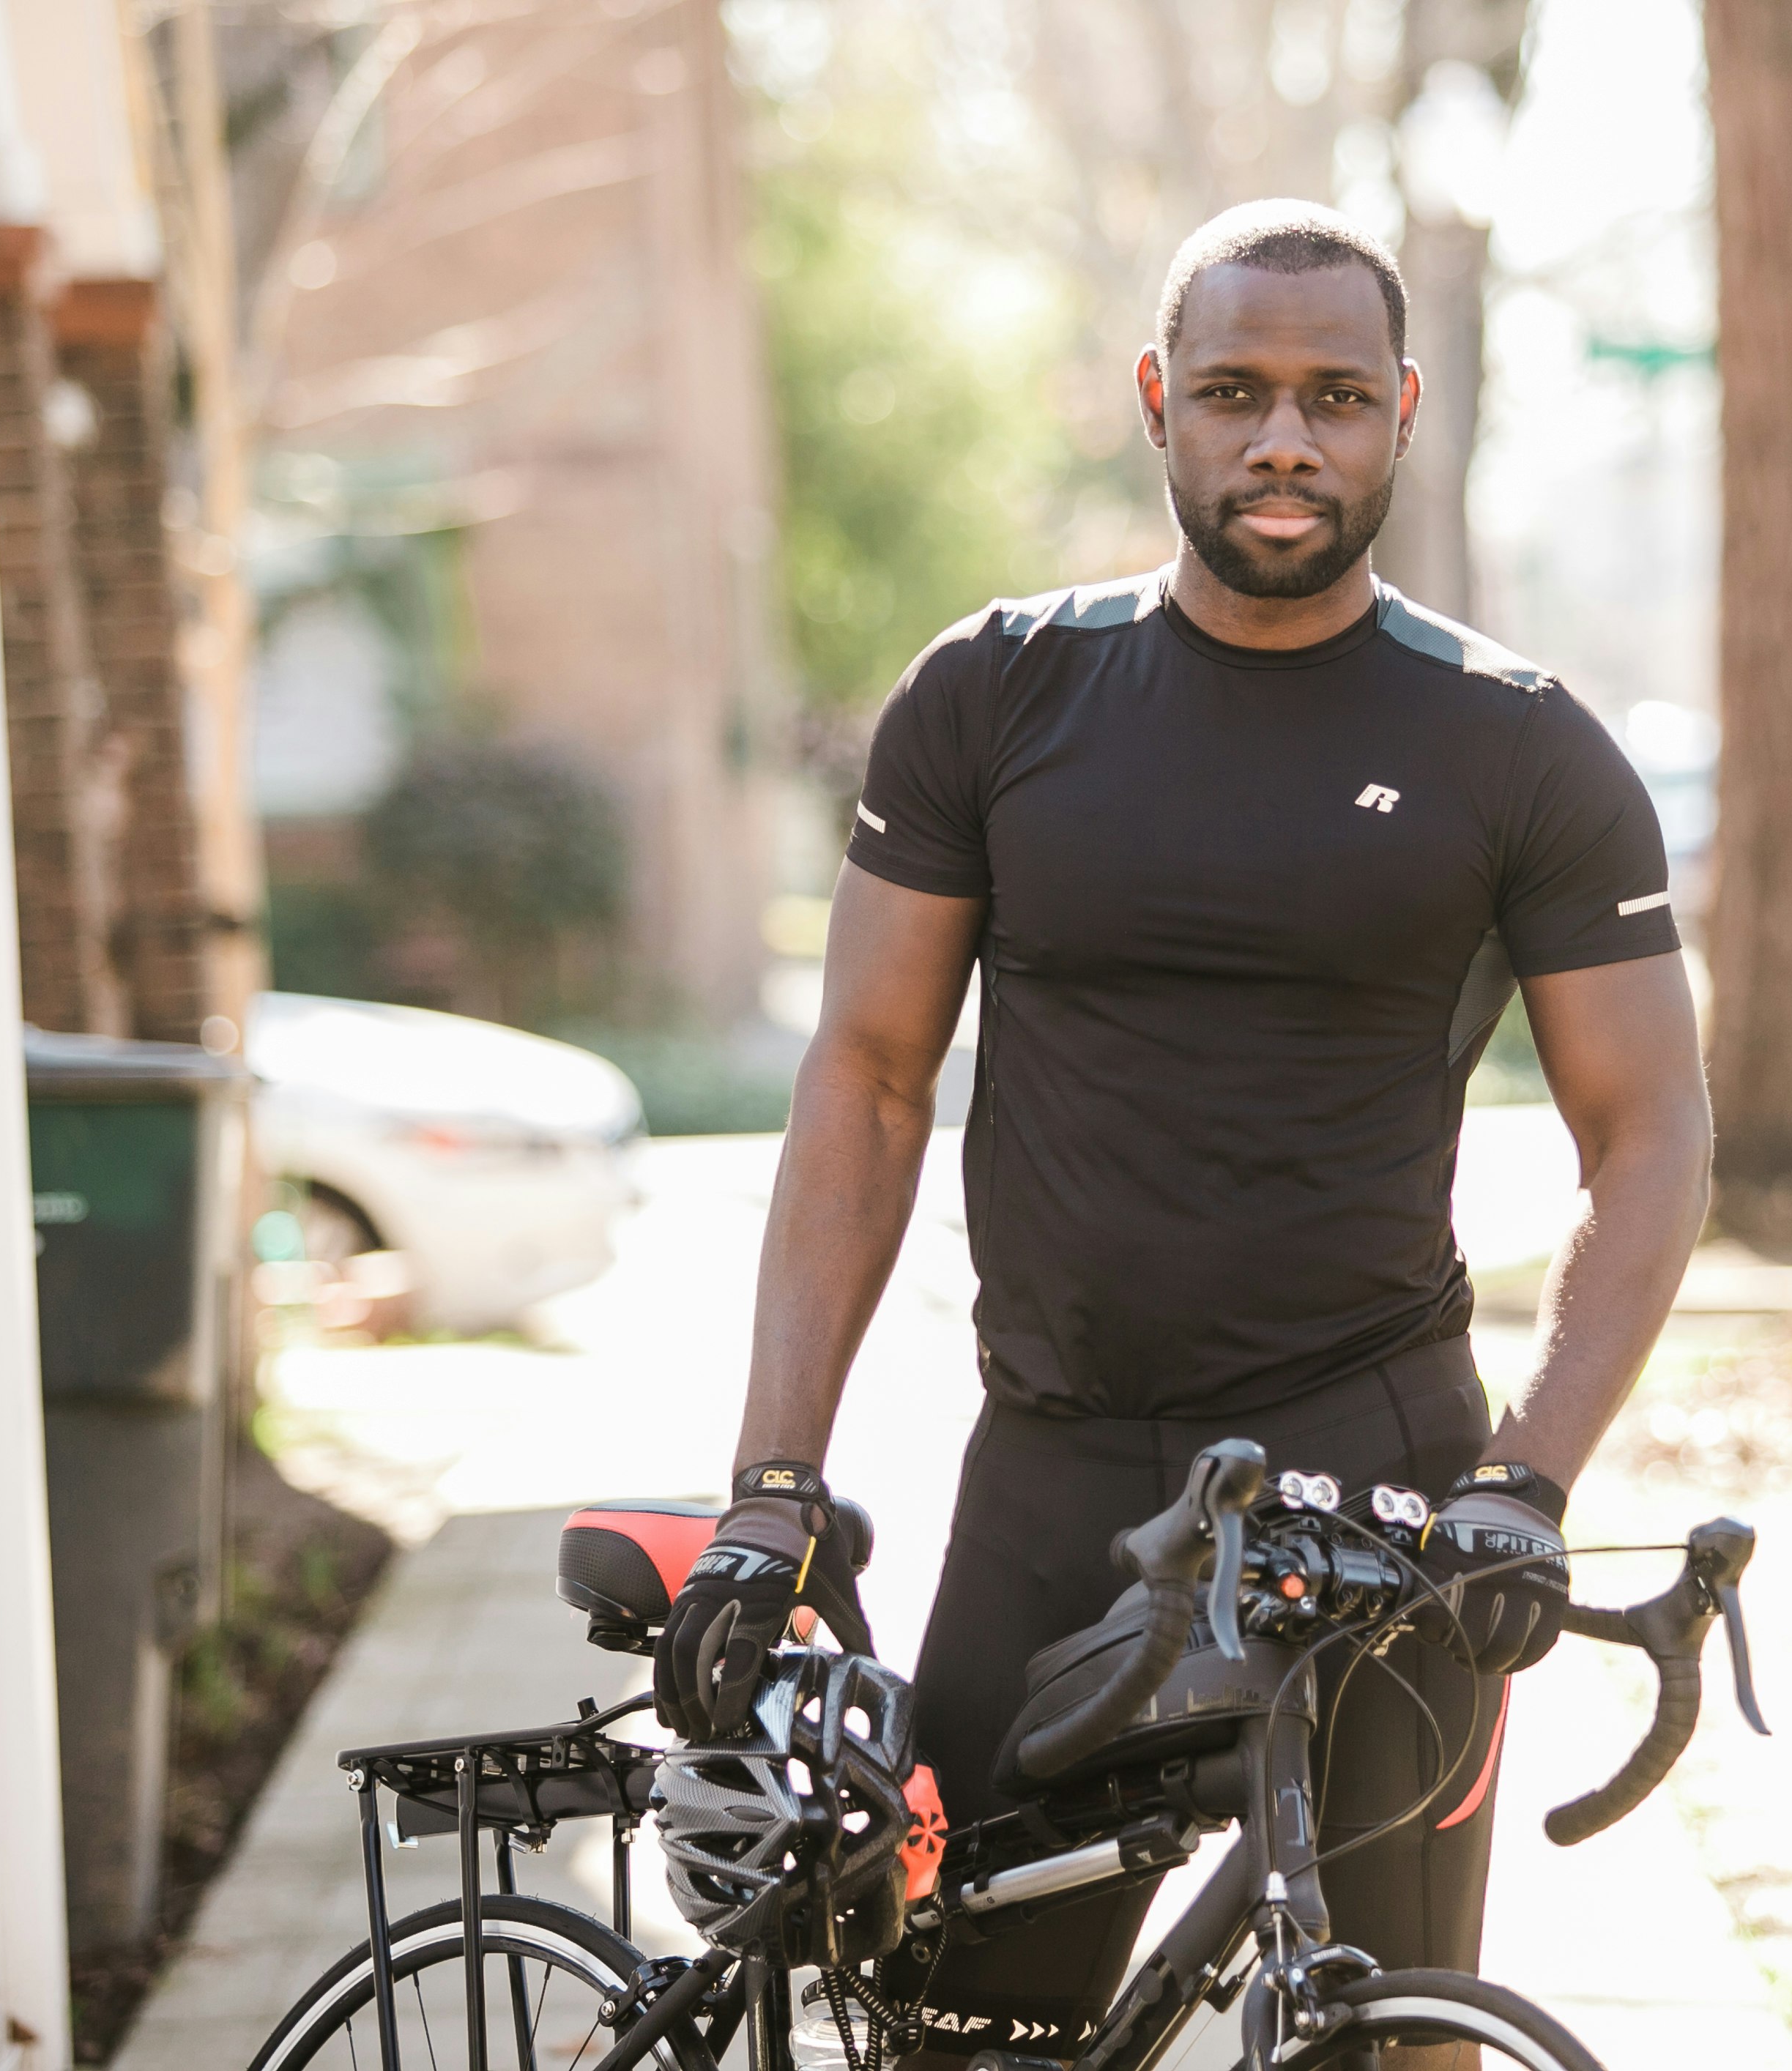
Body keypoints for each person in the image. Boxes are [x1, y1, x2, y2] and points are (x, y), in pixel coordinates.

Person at [651, 198, 1711, 2065]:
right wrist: (772, 1486)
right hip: (1057, 1469)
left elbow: (1649, 1132)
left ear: (1405, 411)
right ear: (1158, 400)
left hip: (1379, 1482)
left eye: (1332, 397)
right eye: (1234, 391)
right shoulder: (996, 691)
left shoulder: (1521, 744)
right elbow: (869, 1082)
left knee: (1391, 2035)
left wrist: (1528, 1479)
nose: (1283, 439)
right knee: (975, 2030)